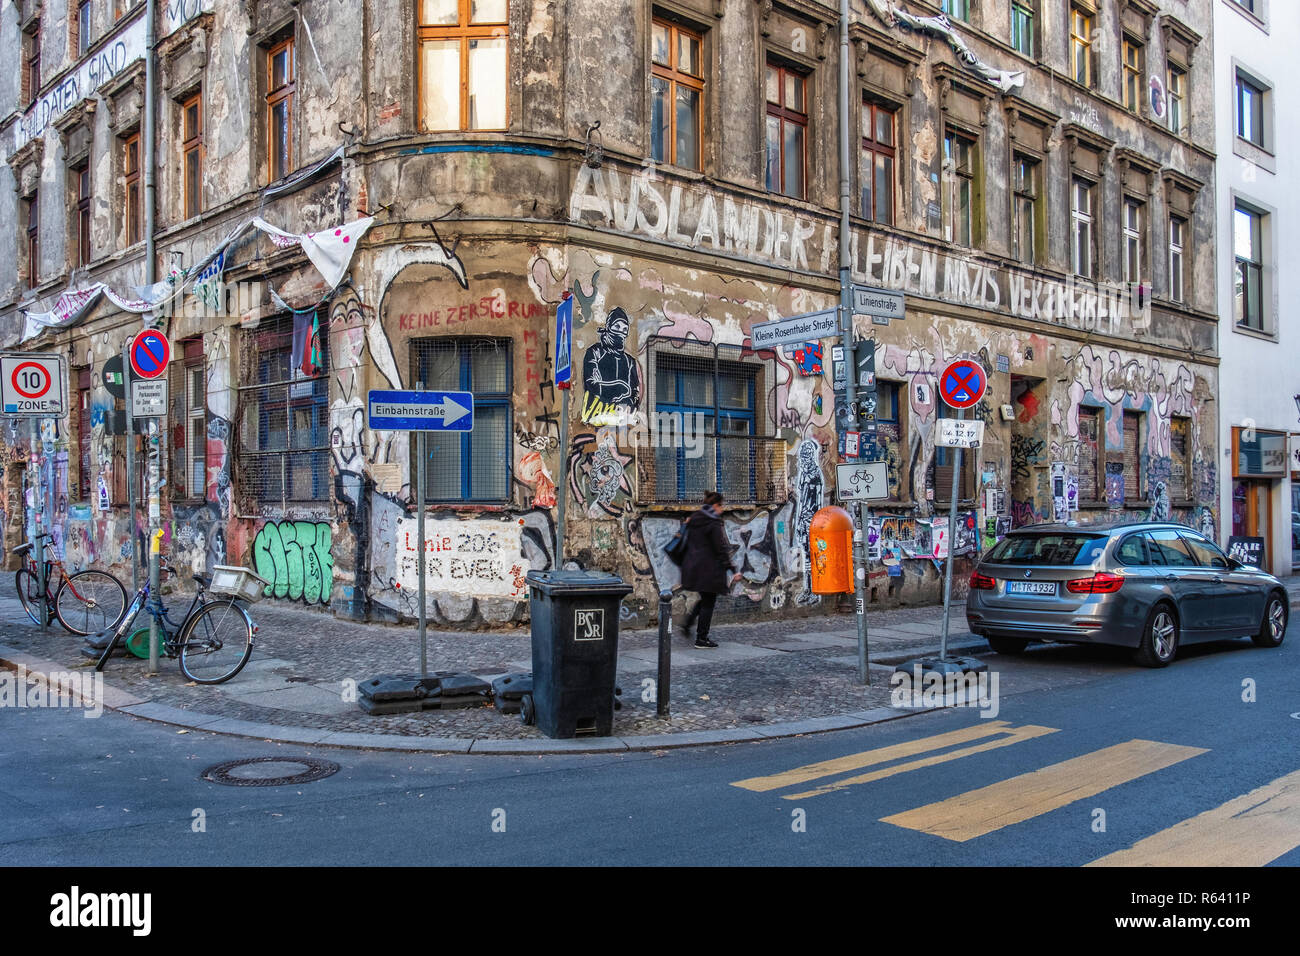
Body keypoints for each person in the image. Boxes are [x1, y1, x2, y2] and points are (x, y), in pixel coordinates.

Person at [679, 491, 742, 648]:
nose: (722, 509)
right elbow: (720, 548)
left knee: (705, 599)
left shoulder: (694, 518)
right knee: (709, 602)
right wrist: (733, 570)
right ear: (716, 505)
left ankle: (687, 624)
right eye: (722, 506)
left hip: (694, 567)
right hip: (709, 569)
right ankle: (702, 638)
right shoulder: (712, 522)